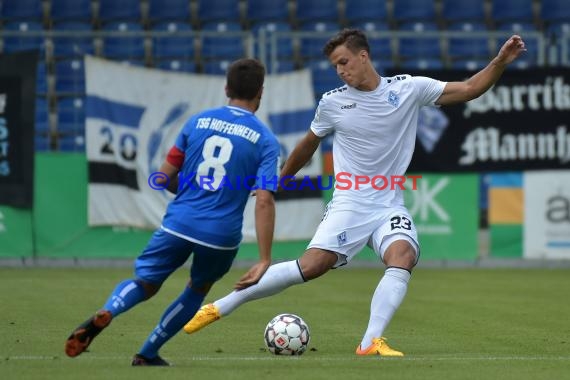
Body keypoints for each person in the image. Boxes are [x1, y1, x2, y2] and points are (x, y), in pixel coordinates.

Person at [183, 29, 527, 356]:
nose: (340, 70)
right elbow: (308, 144)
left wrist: (499, 62)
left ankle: (370, 342)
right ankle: (218, 307)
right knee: (312, 266)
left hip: (389, 203)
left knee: (403, 256)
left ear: (364, 56)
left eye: (344, 61)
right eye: (335, 65)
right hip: (349, 201)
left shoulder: (408, 89)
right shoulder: (333, 103)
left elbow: (468, 88)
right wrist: (280, 179)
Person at [64, 58, 280, 366]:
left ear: (226, 88)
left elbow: (163, 177)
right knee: (197, 288)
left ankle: (110, 309)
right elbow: (263, 200)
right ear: (261, 92)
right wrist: (264, 259)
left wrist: (195, 191)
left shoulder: (196, 122)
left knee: (145, 282)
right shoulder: (266, 141)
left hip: (179, 223)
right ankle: (148, 352)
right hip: (220, 235)